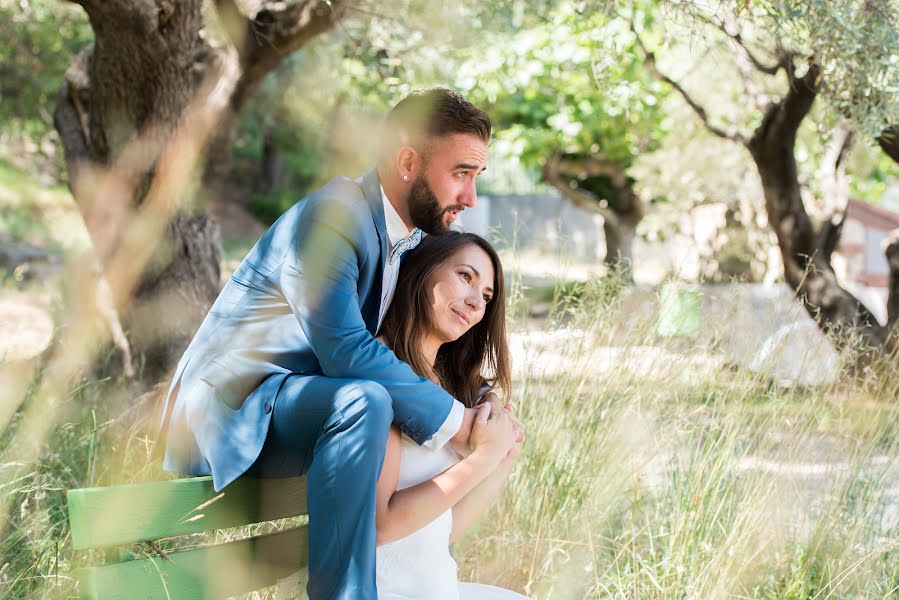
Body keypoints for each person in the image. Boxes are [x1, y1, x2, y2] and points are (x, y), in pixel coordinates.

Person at [157, 89, 519, 599]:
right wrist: (458, 425)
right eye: (461, 173)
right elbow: (346, 350)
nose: (470, 198)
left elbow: (409, 340)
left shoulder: (404, 240)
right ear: (408, 161)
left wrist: (482, 400)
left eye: (476, 178)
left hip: (300, 409)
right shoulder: (334, 215)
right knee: (362, 400)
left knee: (364, 400)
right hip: (233, 408)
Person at [374, 232, 529, 600]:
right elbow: (381, 528)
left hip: (435, 587)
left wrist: (503, 456)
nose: (477, 302)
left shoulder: (445, 386)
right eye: (465, 276)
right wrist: (484, 458)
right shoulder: (384, 376)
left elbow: (441, 528)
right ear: (423, 270)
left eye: (488, 296)